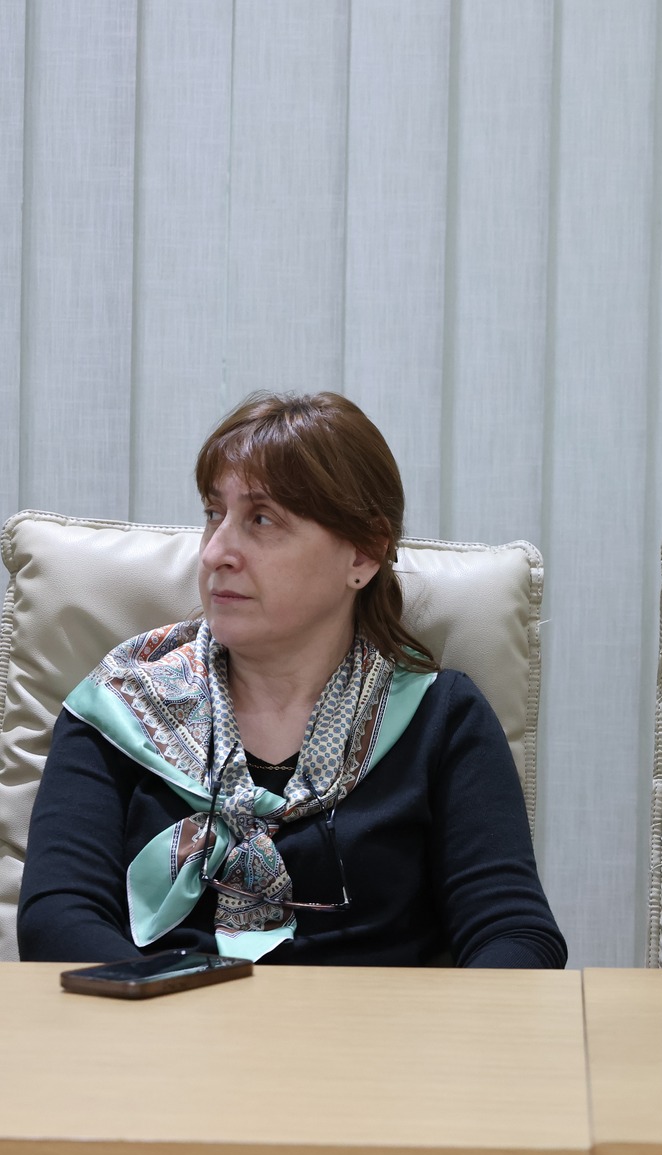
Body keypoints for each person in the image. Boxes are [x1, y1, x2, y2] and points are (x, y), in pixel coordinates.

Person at [20, 392, 565, 967]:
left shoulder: (440, 719)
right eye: (214, 514)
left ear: (363, 554)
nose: (216, 553)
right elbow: (57, 918)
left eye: (261, 519)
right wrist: (166, 1010)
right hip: (164, 1016)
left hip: (379, 1023)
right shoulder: (123, 708)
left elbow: (515, 934)